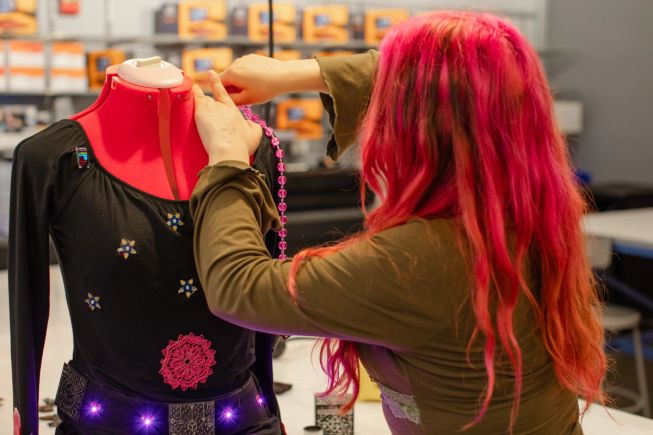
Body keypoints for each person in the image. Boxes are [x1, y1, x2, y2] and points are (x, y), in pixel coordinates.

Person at [190, 11, 607, 435]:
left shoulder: (421, 260)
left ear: (414, 124)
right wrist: (298, 73)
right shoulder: (520, 208)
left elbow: (239, 287)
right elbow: (465, 75)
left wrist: (226, 158)